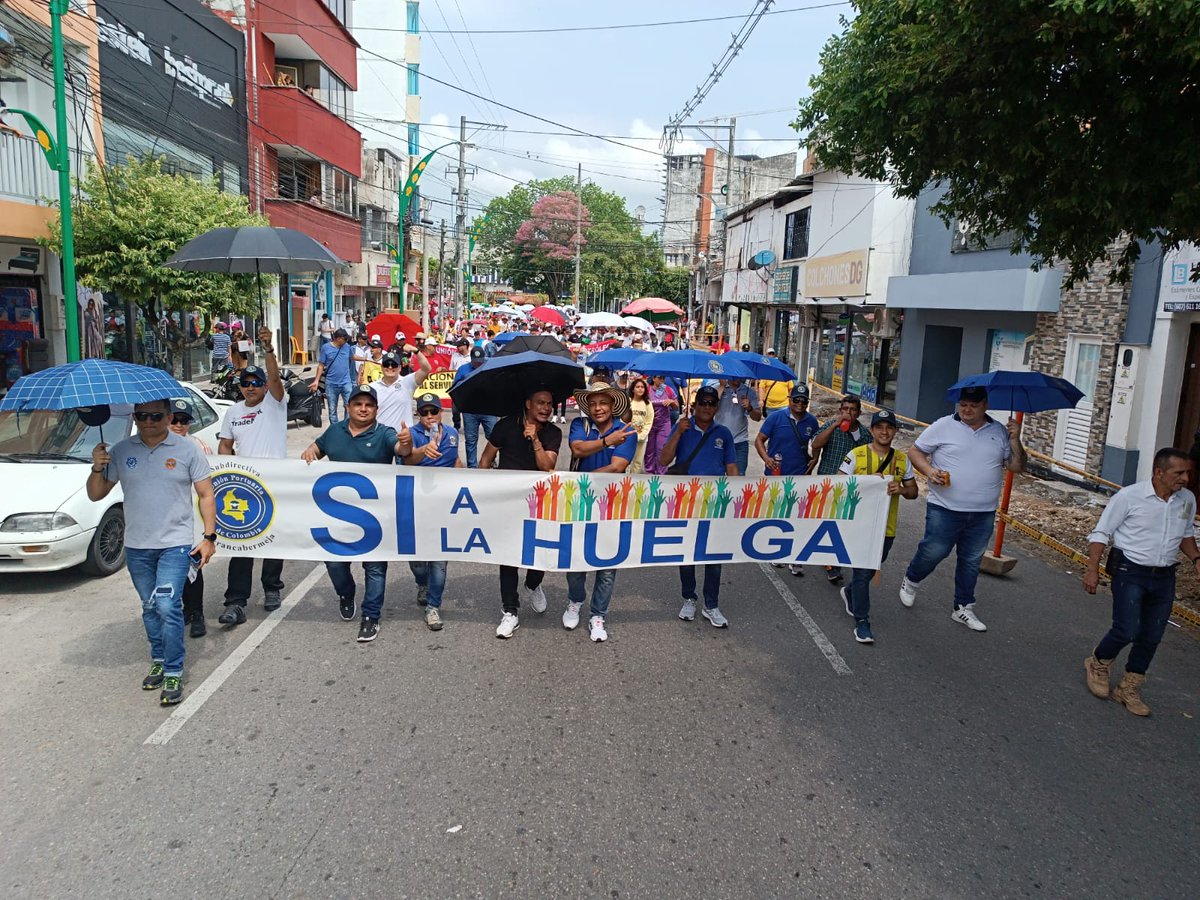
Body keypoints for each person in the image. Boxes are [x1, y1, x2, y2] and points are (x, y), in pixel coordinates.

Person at [87, 399, 216, 706]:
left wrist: (209, 537)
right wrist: (97, 465)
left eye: (156, 416)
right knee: (149, 606)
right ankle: (158, 657)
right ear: (135, 417)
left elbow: (206, 494)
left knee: (168, 605)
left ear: (169, 417)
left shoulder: (187, 450)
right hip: (137, 546)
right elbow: (96, 493)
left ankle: (173, 669)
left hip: (175, 542)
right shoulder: (120, 450)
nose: (148, 421)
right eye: (141, 415)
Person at [1082, 448, 1198, 716]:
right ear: (1159, 472)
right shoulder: (1130, 496)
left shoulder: (1186, 500)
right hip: (1130, 570)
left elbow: (1186, 533)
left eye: (1187, 473)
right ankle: (1098, 662)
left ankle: (1129, 687)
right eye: (1178, 473)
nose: (1185, 479)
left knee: (1152, 635)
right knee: (1127, 629)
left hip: (1165, 575)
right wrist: (1092, 569)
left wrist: (1196, 558)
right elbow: (1101, 532)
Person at [899, 386, 1025, 632]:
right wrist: (929, 471)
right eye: (963, 404)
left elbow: (1016, 466)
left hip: (983, 512)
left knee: (971, 560)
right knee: (934, 551)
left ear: (985, 406)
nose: (967, 410)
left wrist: (1015, 439)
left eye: (973, 405)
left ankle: (963, 607)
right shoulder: (943, 426)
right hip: (945, 507)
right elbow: (915, 451)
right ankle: (912, 579)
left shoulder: (999, 431)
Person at [301, 385, 413, 642]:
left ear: (376, 409)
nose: (363, 409)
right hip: (337, 517)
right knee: (335, 564)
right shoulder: (335, 431)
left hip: (375, 519)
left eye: (369, 405)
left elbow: (401, 450)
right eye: (358, 404)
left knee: (375, 568)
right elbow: (315, 450)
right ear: (348, 406)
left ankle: (371, 615)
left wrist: (407, 444)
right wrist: (309, 453)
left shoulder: (384, 432)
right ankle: (346, 592)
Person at [216, 327, 287, 627]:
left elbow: (274, 379)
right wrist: (224, 472)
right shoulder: (232, 412)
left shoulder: (275, 403)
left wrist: (268, 348)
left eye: (256, 383)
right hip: (244, 486)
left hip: (275, 483)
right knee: (241, 543)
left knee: (272, 540)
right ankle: (235, 602)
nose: (250, 388)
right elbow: (225, 446)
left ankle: (272, 588)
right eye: (245, 384)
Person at [479, 388, 561, 638]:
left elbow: (547, 465)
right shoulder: (505, 426)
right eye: (540, 403)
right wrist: (484, 491)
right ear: (528, 404)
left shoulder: (553, 432)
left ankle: (533, 584)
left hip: (540, 503)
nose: (546, 408)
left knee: (540, 553)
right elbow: (485, 460)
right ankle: (510, 611)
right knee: (509, 557)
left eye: (549, 404)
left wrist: (535, 439)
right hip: (508, 503)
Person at [660, 385, 739, 627]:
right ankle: (689, 598)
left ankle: (711, 605)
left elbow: (732, 468)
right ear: (695, 405)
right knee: (688, 553)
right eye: (702, 402)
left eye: (711, 403)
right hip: (686, 502)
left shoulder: (723, 433)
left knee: (714, 555)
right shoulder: (682, 426)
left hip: (714, 503)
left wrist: (738, 496)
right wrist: (677, 433)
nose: (706, 407)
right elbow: (664, 460)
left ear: (716, 407)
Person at [564, 384, 638, 642]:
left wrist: (579, 479)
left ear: (612, 404)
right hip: (581, 502)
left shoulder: (626, 430)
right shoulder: (579, 425)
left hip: (613, 504)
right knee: (575, 558)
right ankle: (575, 600)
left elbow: (617, 467)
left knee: (607, 564)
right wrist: (606, 442)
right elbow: (577, 450)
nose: (598, 408)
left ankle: (598, 614)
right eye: (593, 403)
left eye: (603, 403)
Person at [838, 409, 918, 644]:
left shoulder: (902, 460)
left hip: (886, 528)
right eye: (879, 427)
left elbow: (913, 492)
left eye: (889, 427)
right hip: (858, 527)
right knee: (863, 572)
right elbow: (838, 485)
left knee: (871, 569)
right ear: (871, 430)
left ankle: (850, 592)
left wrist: (901, 489)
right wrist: (864, 483)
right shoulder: (856, 455)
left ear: (895, 431)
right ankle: (862, 621)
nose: (884, 432)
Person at [400, 392, 463, 631]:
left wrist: (464, 481)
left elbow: (455, 461)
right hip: (414, 503)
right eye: (424, 412)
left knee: (439, 560)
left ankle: (433, 606)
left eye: (433, 411)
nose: (429, 416)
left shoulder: (453, 434)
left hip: (443, 506)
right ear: (418, 414)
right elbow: (406, 462)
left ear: (441, 412)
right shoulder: (410, 435)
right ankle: (421, 582)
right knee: (416, 559)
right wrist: (424, 450)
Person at [755, 384, 820, 577]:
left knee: (798, 518)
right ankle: (778, 551)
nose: (799, 404)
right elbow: (759, 440)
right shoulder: (776, 418)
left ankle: (795, 557)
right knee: (778, 516)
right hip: (776, 476)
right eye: (796, 400)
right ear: (789, 399)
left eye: (803, 401)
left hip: (800, 477)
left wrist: (815, 458)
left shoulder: (812, 422)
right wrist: (766, 459)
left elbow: (815, 444)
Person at [809, 394, 871, 586]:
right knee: (827, 521)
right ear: (840, 410)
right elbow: (816, 444)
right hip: (827, 481)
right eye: (845, 409)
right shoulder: (831, 426)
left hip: (849, 486)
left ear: (858, 413)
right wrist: (836, 425)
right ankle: (830, 563)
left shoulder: (864, 435)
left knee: (842, 523)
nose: (848, 413)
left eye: (852, 410)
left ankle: (832, 557)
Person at [167, 399, 213, 638]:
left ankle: (197, 613)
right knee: (173, 569)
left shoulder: (198, 446)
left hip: (192, 514)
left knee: (193, 567)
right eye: (174, 420)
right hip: (166, 518)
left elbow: (208, 485)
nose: (178, 425)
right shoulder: (155, 447)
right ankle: (181, 610)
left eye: (184, 421)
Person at [369, 339, 430, 430]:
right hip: (380, 437)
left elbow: (426, 369)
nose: (390, 367)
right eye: (386, 364)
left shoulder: (408, 382)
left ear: (400, 368)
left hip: (403, 437)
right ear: (381, 367)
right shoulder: (372, 387)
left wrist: (416, 351)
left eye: (394, 364)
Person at [454, 347, 498, 467]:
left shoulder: (490, 368)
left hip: (488, 409)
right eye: (475, 361)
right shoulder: (463, 370)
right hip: (470, 410)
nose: (478, 363)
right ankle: (472, 467)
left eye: (480, 361)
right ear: (471, 359)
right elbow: (455, 389)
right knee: (471, 440)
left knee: (494, 437)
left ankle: (491, 460)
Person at [714, 377, 761, 475]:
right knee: (717, 477)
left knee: (738, 478)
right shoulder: (718, 389)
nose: (738, 378)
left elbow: (757, 417)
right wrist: (722, 387)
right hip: (719, 441)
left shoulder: (749, 392)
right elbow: (711, 409)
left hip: (740, 442)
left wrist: (750, 408)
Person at [311, 328, 355, 424]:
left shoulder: (347, 347)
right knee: (332, 410)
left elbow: (352, 357)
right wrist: (316, 381)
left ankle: (346, 428)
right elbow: (321, 365)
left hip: (346, 382)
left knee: (349, 406)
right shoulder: (326, 348)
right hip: (331, 383)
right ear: (338, 338)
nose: (346, 341)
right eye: (345, 339)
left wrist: (366, 359)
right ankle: (335, 430)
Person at [644, 374, 679, 475]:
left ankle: (662, 474)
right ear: (654, 378)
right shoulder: (647, 389)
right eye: (660, 378)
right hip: (649, 424)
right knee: (649, 451)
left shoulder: (668, 390)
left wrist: (671, 402)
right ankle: (649, 473)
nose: (662, 380)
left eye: (664, 378)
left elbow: (676, 407)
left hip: (664, 424)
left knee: (661, 449)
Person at [627, 377, 654, 474]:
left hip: (642, 438)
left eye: (642, 387)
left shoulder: (647, 403)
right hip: (628, 436)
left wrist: (642, 435)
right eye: (637, 387)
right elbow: (623, 419)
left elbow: (649, 421)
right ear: (633, 389)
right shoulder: (628, 402)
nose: (640, 389)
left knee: (637, 462)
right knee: (626, 461)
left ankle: (633, 483)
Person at [449, 337, 472, 430]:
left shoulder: (472, 356)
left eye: (460, 346)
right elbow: (451, 370)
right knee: (455, 410)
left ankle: (468, 426)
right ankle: (456, 424)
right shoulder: (454, 356)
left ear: (465, 346)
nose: (458, 348)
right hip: (456, 387)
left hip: (469, 387)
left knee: (468, 409)